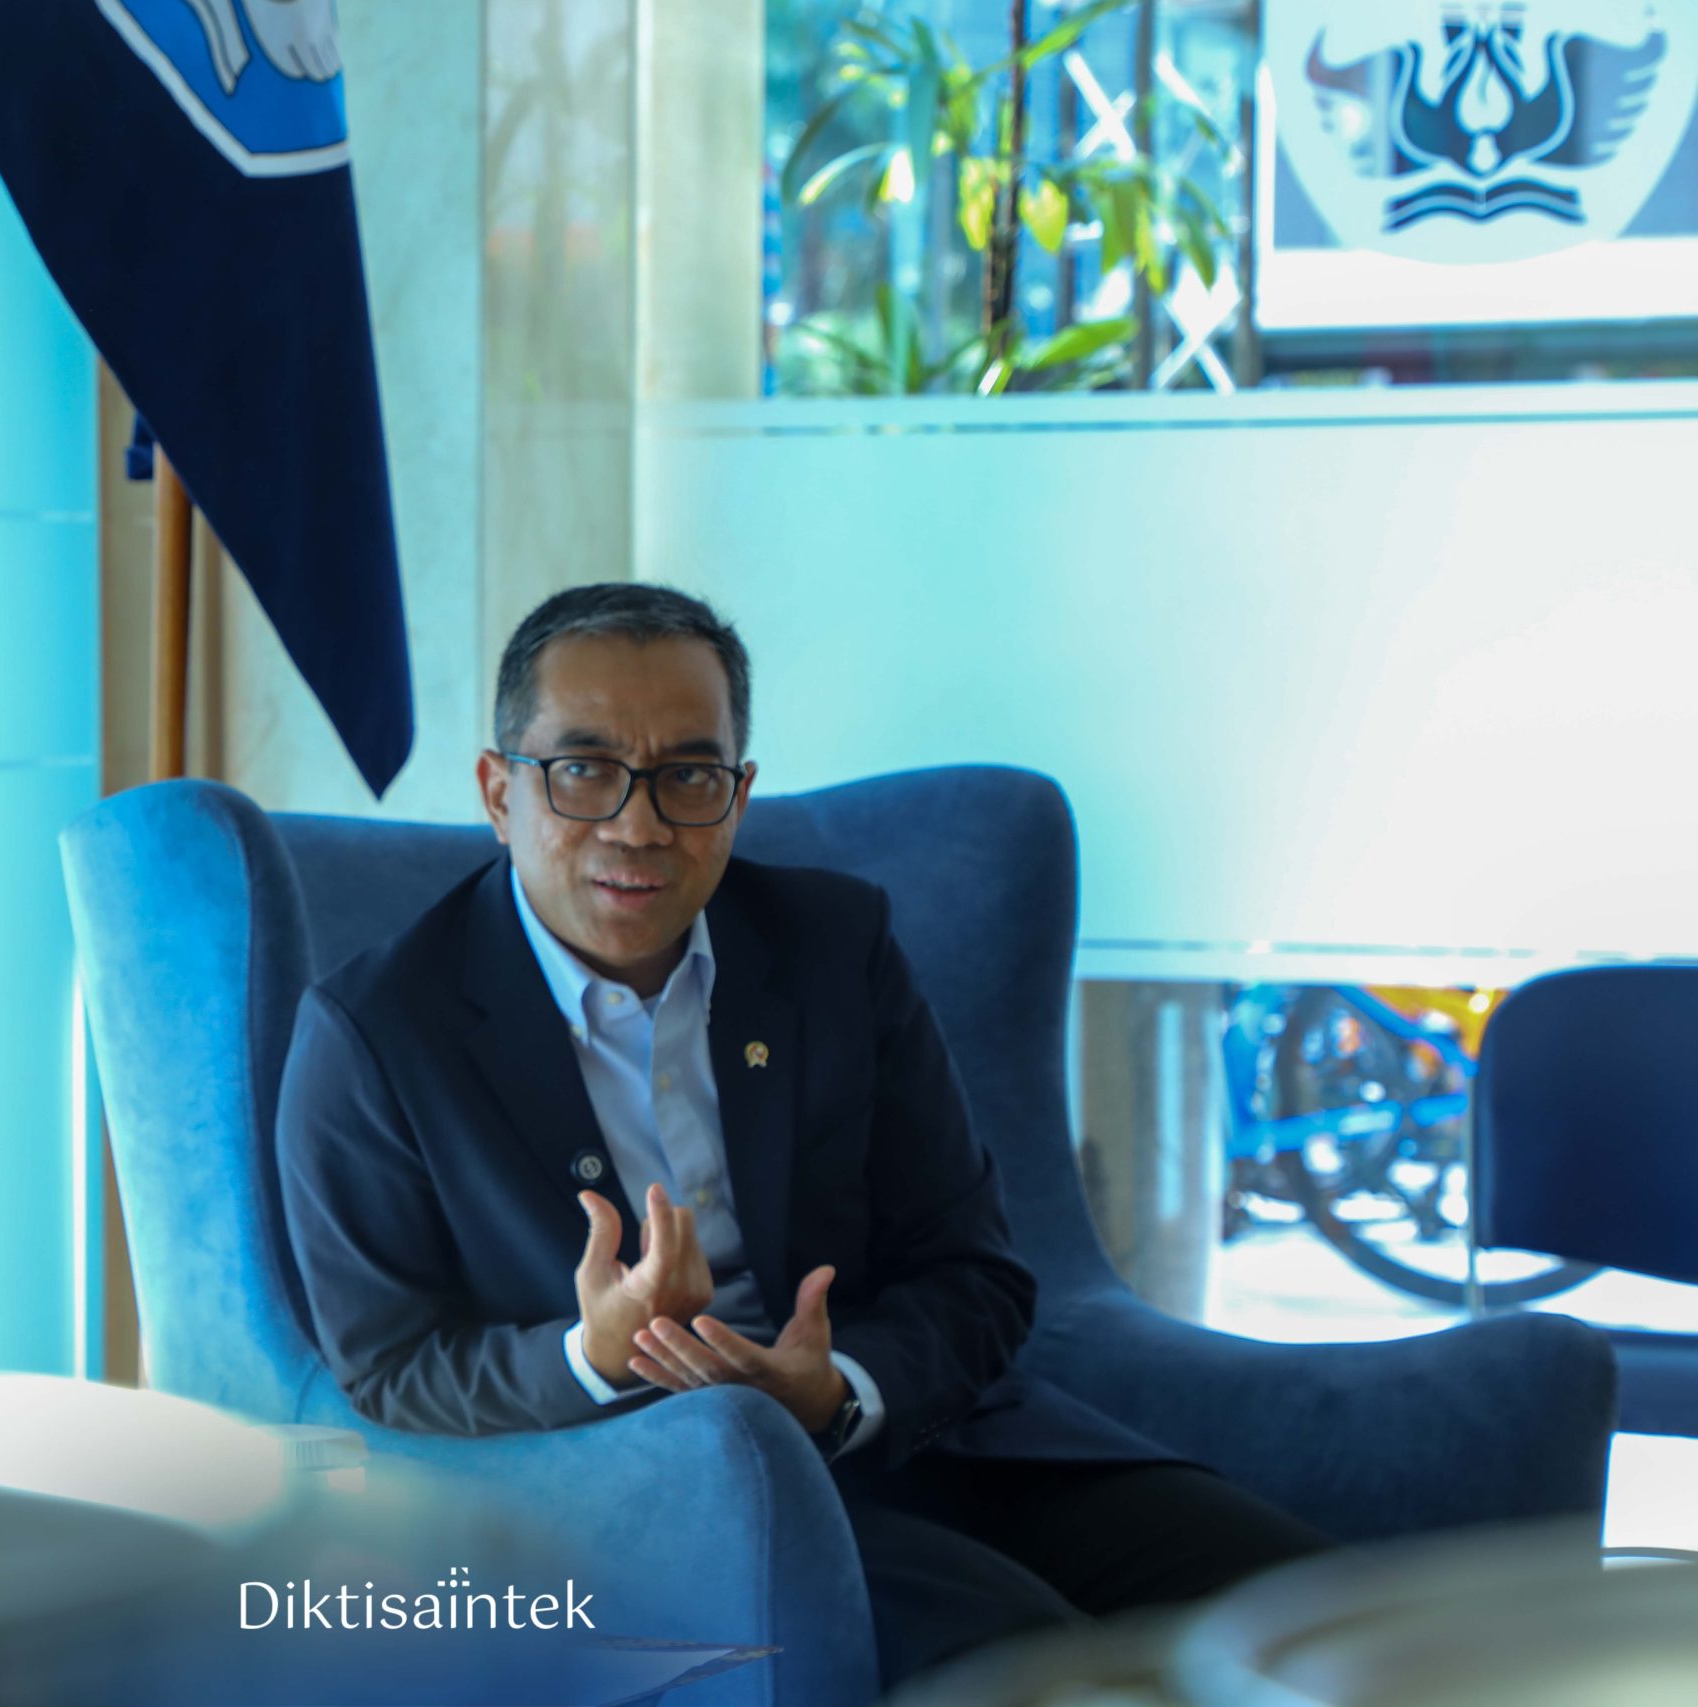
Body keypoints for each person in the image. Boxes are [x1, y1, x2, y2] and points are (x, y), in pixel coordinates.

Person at [274, 583, 1330, 1683]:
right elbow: (389, 1366)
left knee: (1318, 1614)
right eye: (583, 769)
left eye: (688, 775)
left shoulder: (834, 945)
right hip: (649, 1497)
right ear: (500, 792)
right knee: (1039, 1668)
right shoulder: (374, 1032)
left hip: (908, 1434)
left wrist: (837, 1392)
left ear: (737, 796)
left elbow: (973, 1272)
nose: (637, 825)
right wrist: (593, 1354)